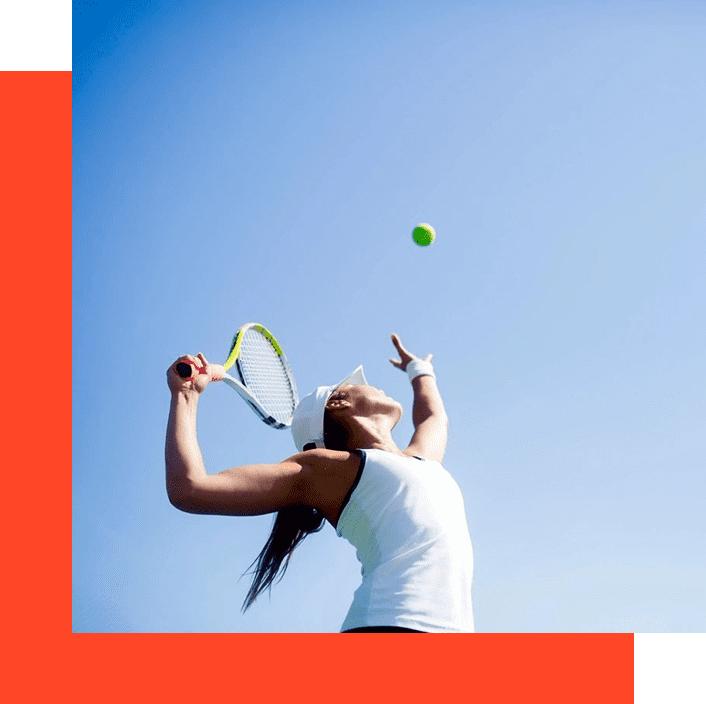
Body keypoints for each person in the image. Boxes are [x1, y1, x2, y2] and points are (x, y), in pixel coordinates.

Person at [165, 333, 474, 633]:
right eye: (357, 385)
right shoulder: (330, 470)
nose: (376, 387)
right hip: (389, 626)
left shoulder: (422, 460)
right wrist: (185, 395)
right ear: (338, 403)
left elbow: (434, 418)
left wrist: (420, 370)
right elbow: (190, 488)